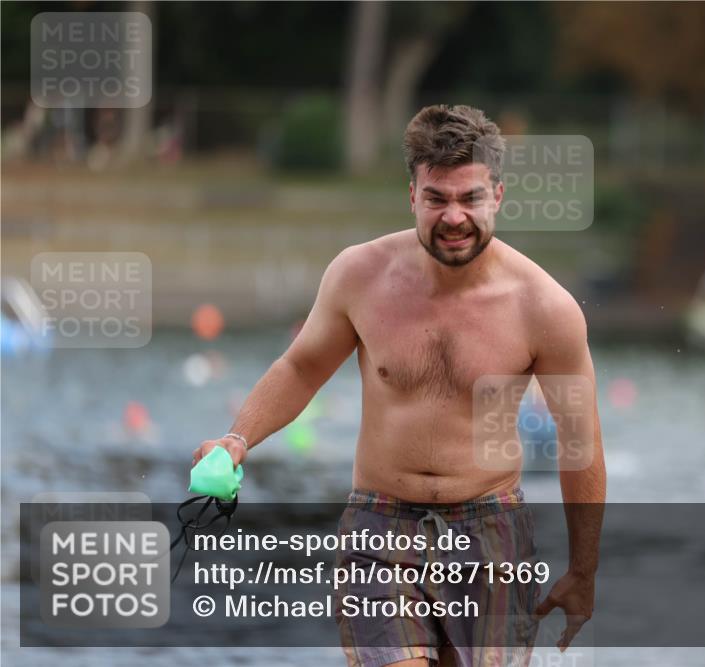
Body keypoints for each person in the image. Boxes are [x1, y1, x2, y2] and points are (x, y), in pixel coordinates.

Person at [191, 104, 607, 666]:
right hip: (379, 524)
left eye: (470, 198)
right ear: (412, 196)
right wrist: (238, 440)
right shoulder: (359, 276)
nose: (454, 216)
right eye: (436, 198)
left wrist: (583, 571)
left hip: (490, 528)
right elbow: (301, 368)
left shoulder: (544, 307)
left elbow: (578, 441)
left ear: (499, 197)